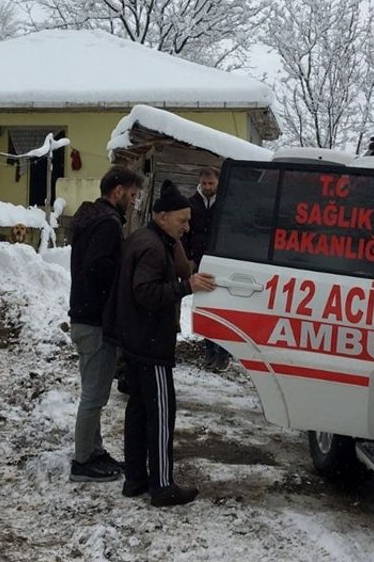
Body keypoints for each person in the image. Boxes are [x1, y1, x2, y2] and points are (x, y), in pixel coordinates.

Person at [105, 180, 217, 507]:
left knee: (139, 412)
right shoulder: (153, 247)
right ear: (163, 216)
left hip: (136, 341)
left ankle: (135, 479)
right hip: (151, 345)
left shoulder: (149, 237)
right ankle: (163, 486)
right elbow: (146, 293)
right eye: (182, 220)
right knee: (162, 415)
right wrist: (186, 286)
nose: (187, 226)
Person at [67, 166, 143, 483]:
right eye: (133, 195)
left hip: (85, 317)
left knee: (93, 392)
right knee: (94, 397)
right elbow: (98, 266)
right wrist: (125, 275)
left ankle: (94, 450)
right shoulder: (108, 224)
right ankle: (83, 461)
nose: (134, 201)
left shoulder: (91, 219)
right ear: (118, 192)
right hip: (94, 321)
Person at [182, 167, 229, 371]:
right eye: (205, 184)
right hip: (200, 263)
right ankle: (209, 350)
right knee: (205, 308)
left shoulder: (227, 202)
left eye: (211, 184)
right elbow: (185, 233)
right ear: (199, 183)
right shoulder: (191, 204)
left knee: (222, 309)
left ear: (218, 183)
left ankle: (223, 353)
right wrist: (188, 257)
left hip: (222, 263)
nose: (208, 187)